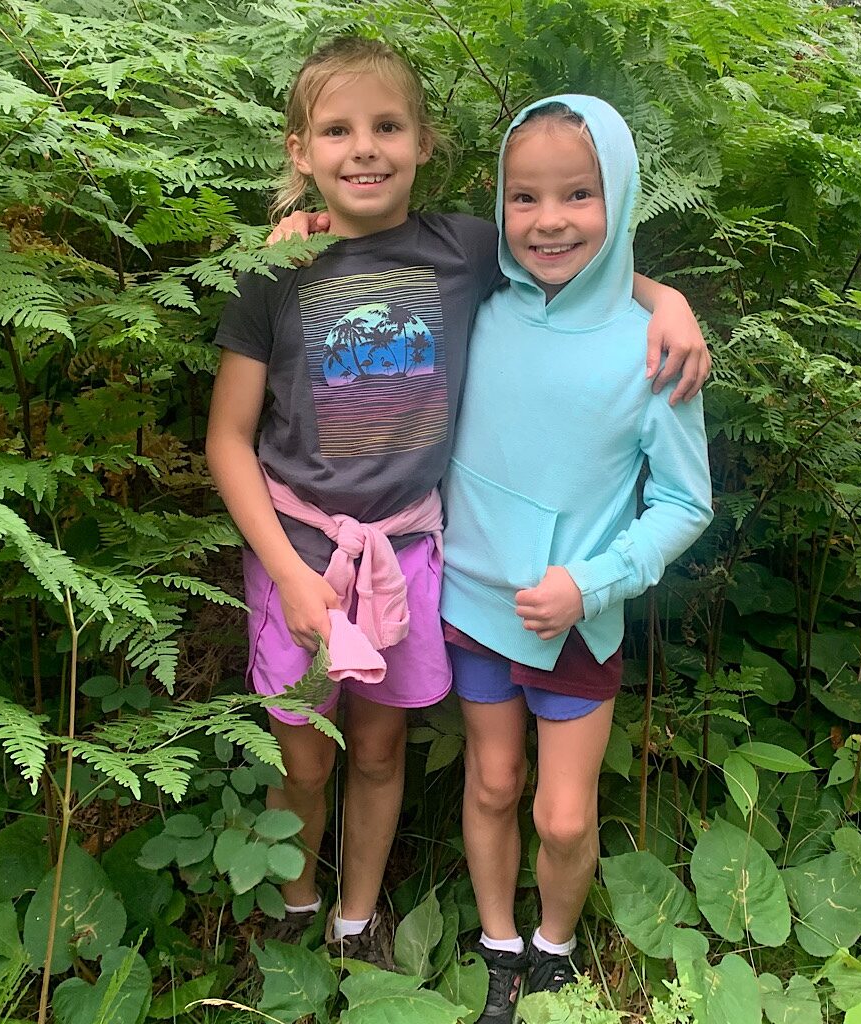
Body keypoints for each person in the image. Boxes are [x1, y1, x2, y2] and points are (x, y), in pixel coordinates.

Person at [207, 37, 709, 970]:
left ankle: (356, 920)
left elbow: (568, 268)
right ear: (300, 149)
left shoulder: (463, 250)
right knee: (305, 758)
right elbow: (227, 438)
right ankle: (295, 899)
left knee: (382, 750)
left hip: (403, 557)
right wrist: (290, 575)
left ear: (425, 142)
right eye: (339, 130)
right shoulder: (276, 274)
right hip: (298, 557)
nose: (365, 148)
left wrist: (666, 297)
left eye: (387, 126)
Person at [439, 95, 713, 1021]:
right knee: (490, 781)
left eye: (579, 195)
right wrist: (313, 222)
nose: (548, 219)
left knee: (561, 814)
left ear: (623, 198)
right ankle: (498, 947)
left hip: (579, 622)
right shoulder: (478, 306)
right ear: (501, 203)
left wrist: (589, 582)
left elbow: (686, 503)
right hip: (471, 603)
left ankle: (554, 947)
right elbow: (384, 253)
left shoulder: (654, 350)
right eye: (524, 197)